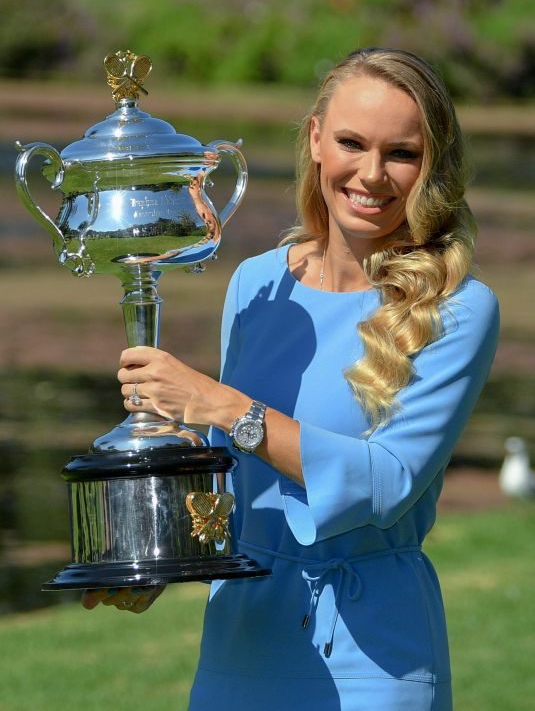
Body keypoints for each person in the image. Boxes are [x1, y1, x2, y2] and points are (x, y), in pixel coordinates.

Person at [82, 48, 500, 710]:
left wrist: (225, 405)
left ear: (432, 165)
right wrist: (154, 552)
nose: (371, 175)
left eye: (401, 153)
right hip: (240, 643)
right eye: (350, 143)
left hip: (375, 653)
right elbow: (238, 482)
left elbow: (387, 482)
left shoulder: (459, 307)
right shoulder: (258, 282)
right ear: (314, 139)